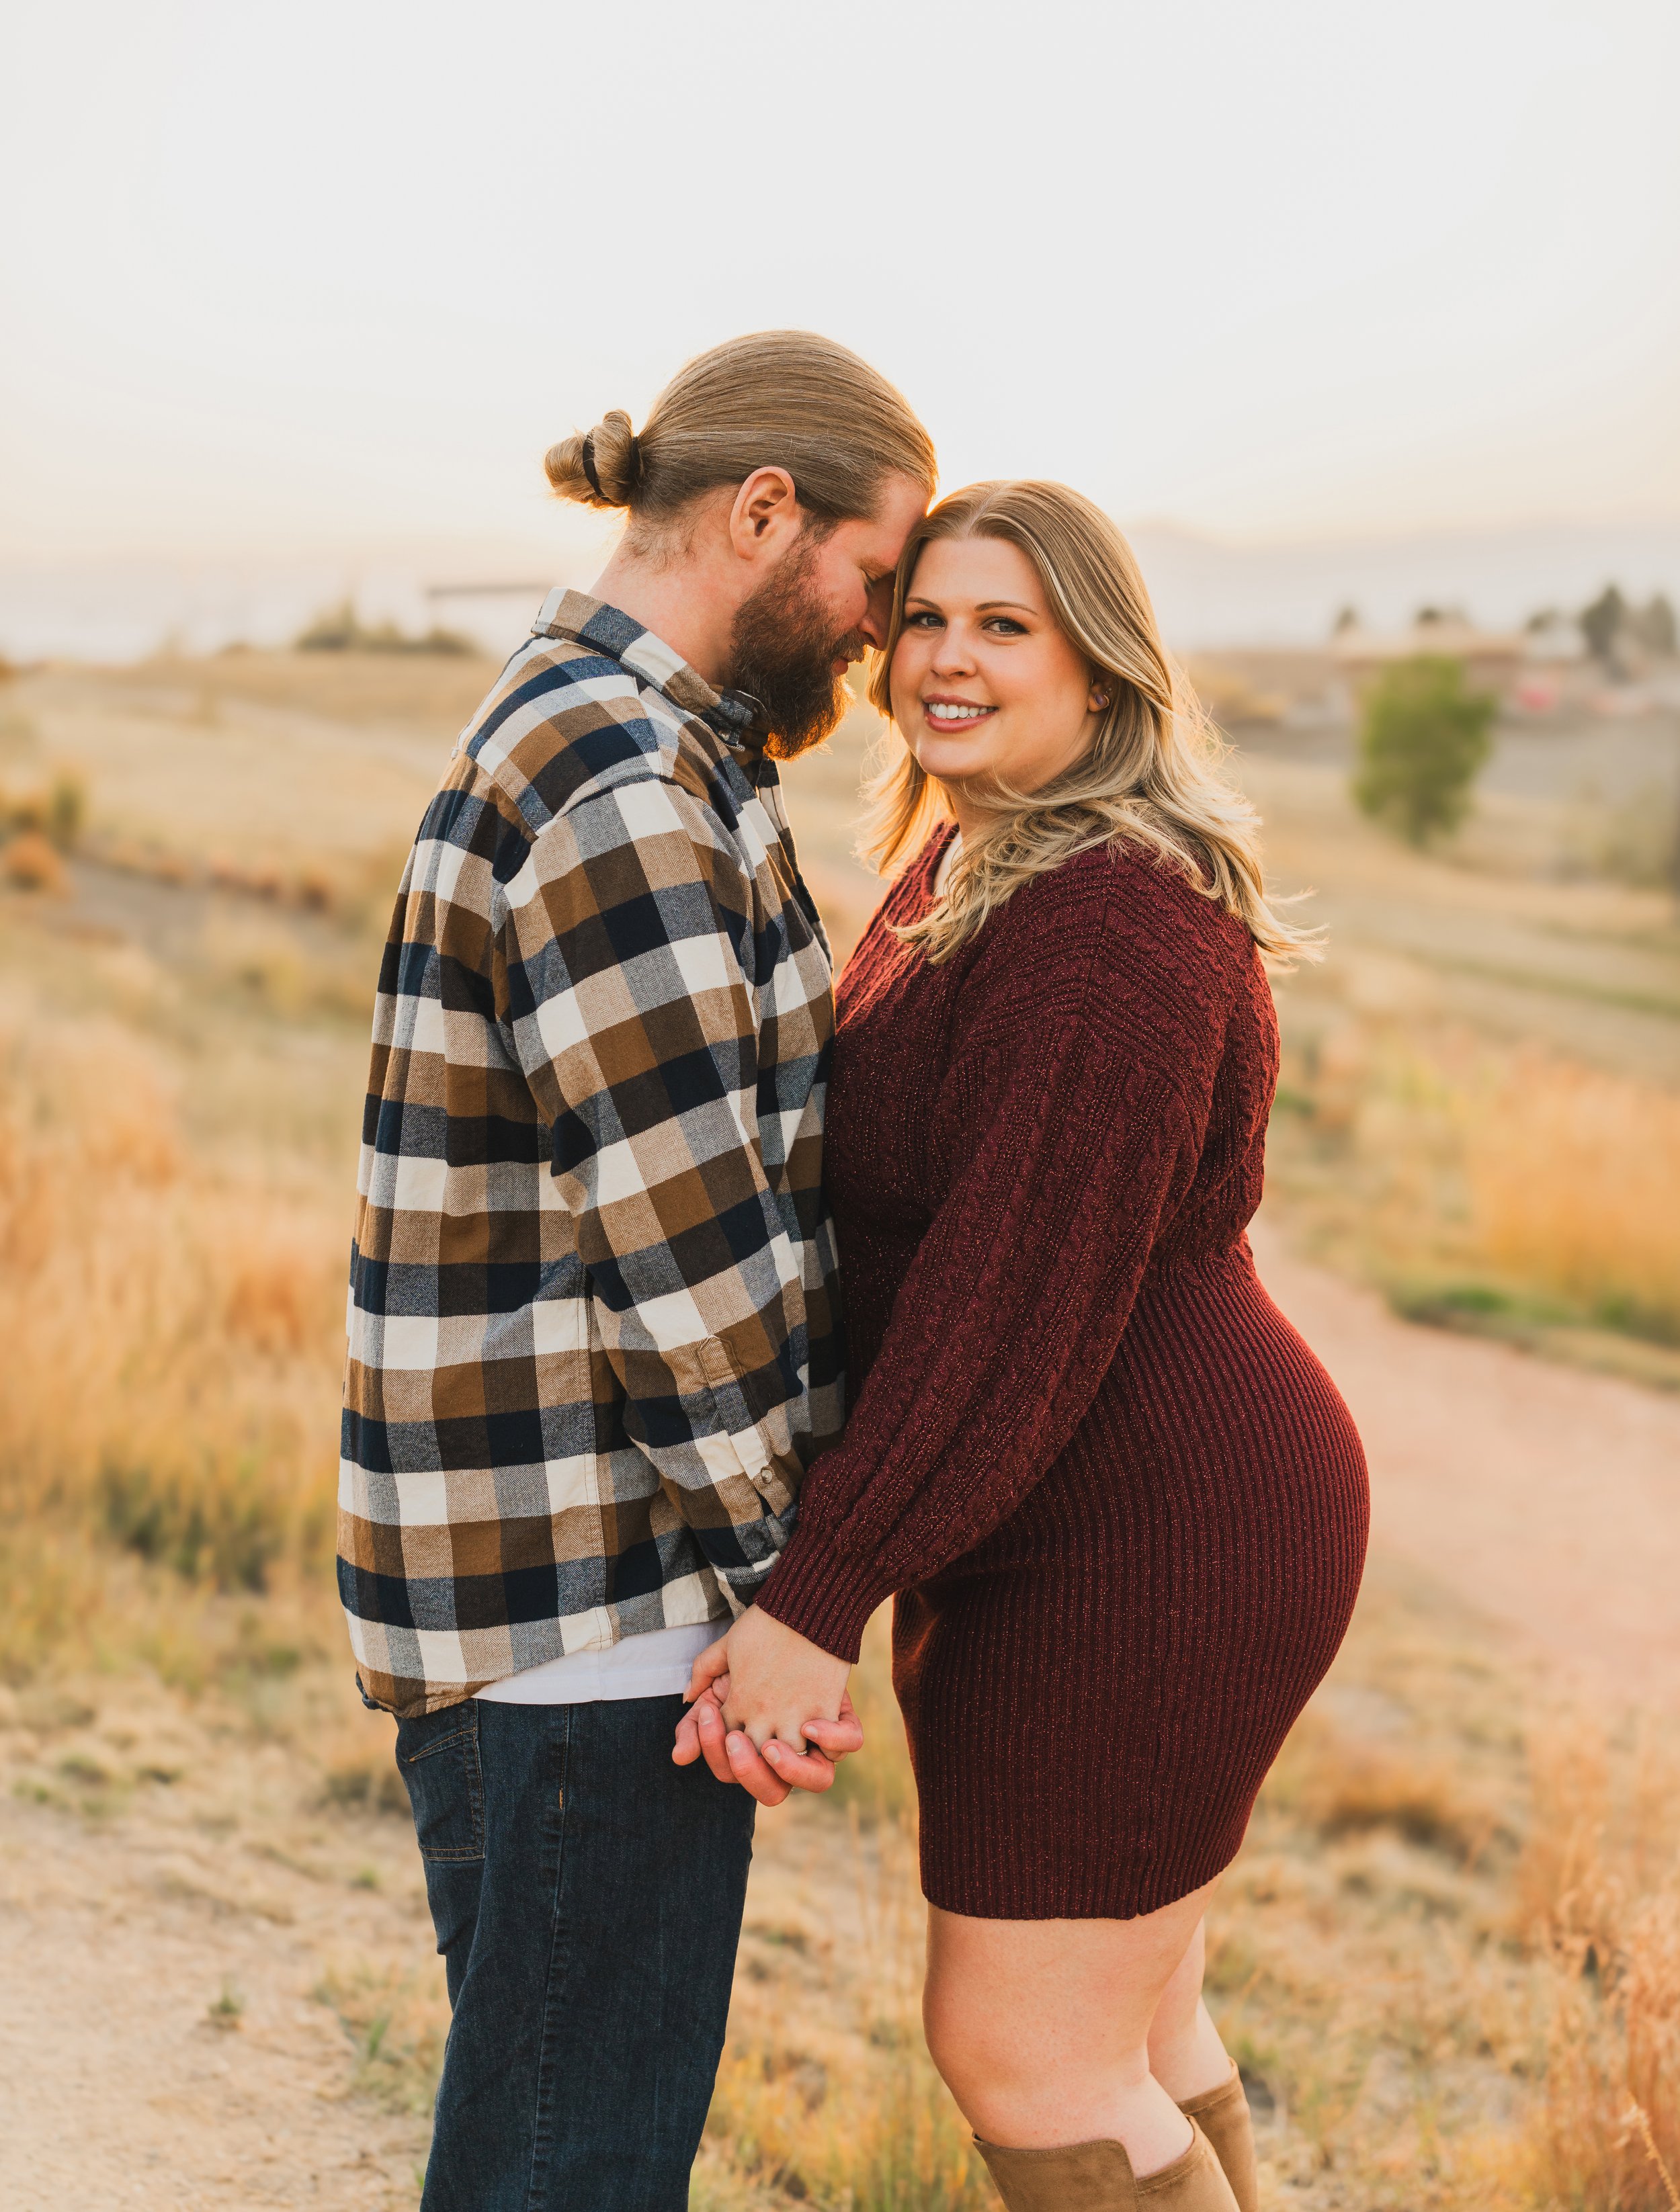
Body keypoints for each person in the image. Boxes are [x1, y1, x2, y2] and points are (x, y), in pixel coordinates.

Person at [679, 480, 1370, 2212]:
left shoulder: (1106, 927)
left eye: (1007, 626)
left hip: (1149, 1532)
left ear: (1103, 667)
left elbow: (1006, 1311)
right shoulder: (981, 853)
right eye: (925, 616)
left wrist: (812, 1601)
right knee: (1130, 2028)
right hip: (1087, 1499)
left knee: (1031, 2057)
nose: (949, 659)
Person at [337, 330, 935, 2212]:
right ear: (764, 510)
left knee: (543, 2143)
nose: (879, 633)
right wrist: (793, 1597)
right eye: (872, 576)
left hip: (556, 1581)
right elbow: (693, 1248)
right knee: (572, 2170)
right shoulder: (621, 779)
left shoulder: (626, 739)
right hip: (606, 1595)